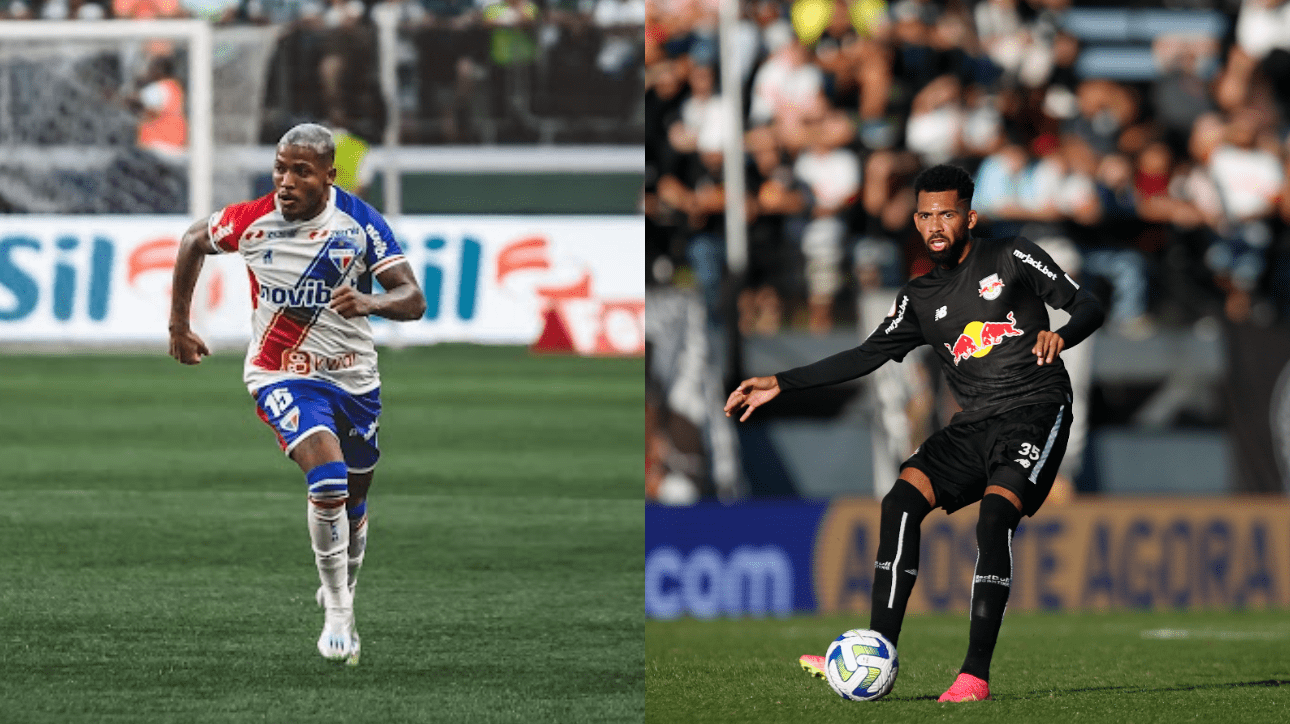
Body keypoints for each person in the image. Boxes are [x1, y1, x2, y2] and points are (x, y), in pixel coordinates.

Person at [724, 164, 1103, 702]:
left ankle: (974, 676)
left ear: (969, 216)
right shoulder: (921, 296)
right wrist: (780, 384)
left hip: (1036, 409)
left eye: (946, 213)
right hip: (973, 423)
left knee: (995, 518)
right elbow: (865, 356)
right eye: (924, 215)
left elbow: (1088, 303)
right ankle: (876, 649)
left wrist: (1061, 337)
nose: (934, 225)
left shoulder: (1011, 254)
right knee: (900, 501)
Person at [167, 123, 427, 665]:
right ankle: (338, 610)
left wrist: (371, 303)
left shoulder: (358, 222)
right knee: (328, 478)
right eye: (280, 168)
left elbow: (412, 297)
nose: (285, 182)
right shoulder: (250, 220)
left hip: (354, 379)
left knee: (355, 500)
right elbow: (194, 240)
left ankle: (345, 580)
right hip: (279, 373)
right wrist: (178, 327)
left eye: (300, 172)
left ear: (329, 176)